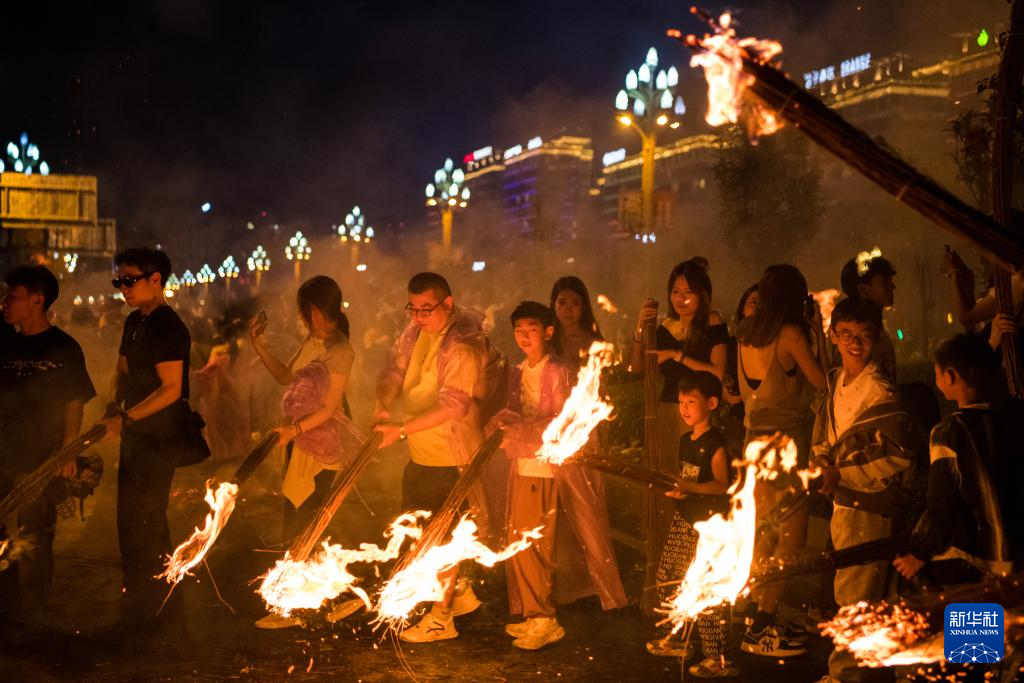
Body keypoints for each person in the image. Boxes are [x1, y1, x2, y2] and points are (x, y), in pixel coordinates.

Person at [373, 272, 505, 643]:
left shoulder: (462, 344)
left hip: (452, 456)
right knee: (422, 535)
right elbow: (394, 368)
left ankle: (440, 617)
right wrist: (382, 405)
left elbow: (452, 406)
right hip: (421, 455)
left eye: (425, 309)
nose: (417, 317)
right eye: (412, 309)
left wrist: (399, 430)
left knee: (442, 538)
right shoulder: (415, 331)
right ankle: (458, 593)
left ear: (448, 303)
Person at [490, 301, 626, 651]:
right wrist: (504, 422)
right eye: (518, 329)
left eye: (531, 328)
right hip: (523, 465)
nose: (523, 335)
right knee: (520, 542)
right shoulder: (518, 371)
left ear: (548, 332)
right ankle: (535, 614)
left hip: (547, 469)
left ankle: (544, 618)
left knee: (536, 543)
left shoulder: (559, 370)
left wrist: (524, 426)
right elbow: (513, 410)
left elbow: (565, 422)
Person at [248, 276, 363, 629]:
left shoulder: (340, 351)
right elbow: (286, 376)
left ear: (317, 309)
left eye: (305, 309)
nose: (301, 316)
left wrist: (295, 430)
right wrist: (258, 344)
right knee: (298, 519)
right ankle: (304, 601)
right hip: (298, 444)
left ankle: (307, 603)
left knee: (308, 523)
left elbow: (329, 408)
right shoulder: (313, 342)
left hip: (321, 449)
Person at [812, 298, 916, 683]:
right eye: (847, 335)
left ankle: (843, 674)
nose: (855, 343)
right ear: (833, 336)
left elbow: (897, 456)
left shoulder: (880, 392)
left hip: (868, 506)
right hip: (846, 502)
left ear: (878, 338)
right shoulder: (836, 380)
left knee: (854, 598)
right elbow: (827, 434)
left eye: (864, 336)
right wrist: (822, 462)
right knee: (875, 597)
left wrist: (839, 473)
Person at [95, 248, 192, 644]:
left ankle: (163, 622)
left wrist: (127, 417)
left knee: (149, 527)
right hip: (135, 437)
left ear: (156, 279)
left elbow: (170, 391)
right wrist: (111, 406)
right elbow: (121, 372)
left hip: (159, 440)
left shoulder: (169, 326)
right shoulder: (134, 323)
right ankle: (135, 615)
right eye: (118, 281)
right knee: (129, 526)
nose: (123, 288)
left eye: (130, 279)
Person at [736, 264, 828, 658]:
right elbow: (823, 381)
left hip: (753, 446)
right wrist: (818, 329)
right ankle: (762, 628)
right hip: (785, 448)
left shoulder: (746, 334)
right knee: (791, 538)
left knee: (762, 535)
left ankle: (757, 618)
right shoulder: (790, 335)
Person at [0, 265, 96, 630]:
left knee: (36, 539)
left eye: (13, 296)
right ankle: (6, 607)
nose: (5, 302)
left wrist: (68, 450)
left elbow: (76, 400)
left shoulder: (64, 348)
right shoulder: (3, 340)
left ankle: (33, 619)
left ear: (37, 300)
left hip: (40, 459)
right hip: (1, 452)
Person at [893, 334, 1024, 585]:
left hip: (978, 560)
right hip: (1019, 554)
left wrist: (919, 553)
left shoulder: (949, 432)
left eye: (937, 373)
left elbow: (942, 503)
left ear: (950, 376)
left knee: (969, 623)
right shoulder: (1016, 416)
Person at [629, 258, 729, 563]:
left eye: (689, 292)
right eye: (675, 291)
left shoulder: (711, 322)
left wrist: (677, 355)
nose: (681, 299)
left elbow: (718, 373)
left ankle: (697, 558)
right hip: (666, 412)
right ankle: (662, 556)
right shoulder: (664, 327)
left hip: (698, 415)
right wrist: (639, 329)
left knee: (694, 484)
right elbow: (635, 368)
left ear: (703, 294)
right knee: (665, 483)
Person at [648, 371, 736, 678]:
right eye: (681, 401)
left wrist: (690, 487)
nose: (684, 407)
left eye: (691, 401)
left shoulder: (716, 443)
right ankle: (681, 639)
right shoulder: (686, 439)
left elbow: (722, 485)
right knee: (670, 576)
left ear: (711, 403)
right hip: (684, 518)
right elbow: (688, 478)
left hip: (710, 527)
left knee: (706, 588)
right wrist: (679, 489)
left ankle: (719, 658)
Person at [839, 251, 897, 380]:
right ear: (863, 290)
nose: (893, 286)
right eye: (884, 282)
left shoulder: (877, 328)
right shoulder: (850, 335)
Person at [549, 276, 604, 373]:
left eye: (575, 303)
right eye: (562, 302)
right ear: (554, 305)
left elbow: (602, 381)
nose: (568, 309)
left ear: (583, 307)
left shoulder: (593, 343)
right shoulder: (546, 341)